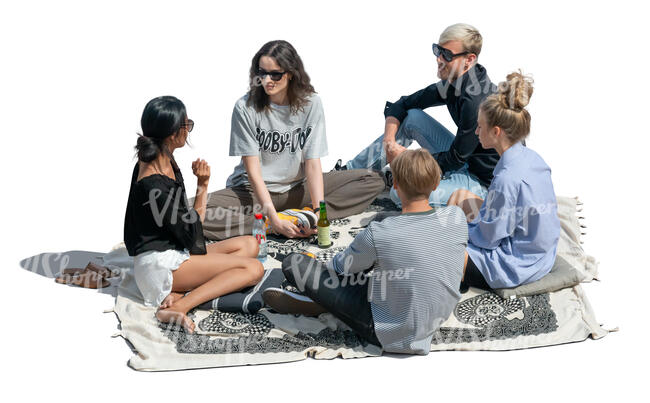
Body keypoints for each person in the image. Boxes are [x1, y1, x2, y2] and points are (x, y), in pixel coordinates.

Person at [263, 149, 468, 355]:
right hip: (435, 316)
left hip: (389, 331)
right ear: (436, 184)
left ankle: (325, 304)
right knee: (390, 267)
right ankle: (329, 302)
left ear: (395, 185)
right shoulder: (457, 218)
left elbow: (341, 267)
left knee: (295, 263)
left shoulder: (379, 233)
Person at [200, 40, 385, 241]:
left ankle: (303, 216)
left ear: (290, 73)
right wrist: (273, 221)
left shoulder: (311, 103)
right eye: (261, 73)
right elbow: (253, 172)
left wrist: (318, 212)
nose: (267, 80)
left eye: (275, 74)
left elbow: (312, 163)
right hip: (252, 192)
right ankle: (267, 223)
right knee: (191, 213)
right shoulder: (245, 107)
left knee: (372, 179)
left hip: (297, 188)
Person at [124, 96, 264, 333]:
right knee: (253, 269)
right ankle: (179, 306)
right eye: (185, 124)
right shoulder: (154, 184)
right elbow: (191, 233)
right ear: (172, 134)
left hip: (173, 250)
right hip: (158, 265)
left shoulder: (160, 156)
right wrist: (203, 185)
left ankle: (179, 290)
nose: (188, 129)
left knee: (251, 244)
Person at [335, 23, 500, 208]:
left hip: (482, 183)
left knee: (398, 195)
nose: (439, 59)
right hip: (464, 160)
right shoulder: (454, 83)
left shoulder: (476, 102)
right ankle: (348, 174)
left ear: (469, 59)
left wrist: (409, 160)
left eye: (447, 55)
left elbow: (454, 159)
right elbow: (403, 104)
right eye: (438, 50)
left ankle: (409, 179)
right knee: (413, 117)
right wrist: (389, 143)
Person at [447, 71, 560, 290]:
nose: (476, 132)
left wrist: (458, 230)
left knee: (439, 243)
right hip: (540, 251)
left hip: (516, 263)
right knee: (459, 196)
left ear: (496, 132)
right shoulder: (531, 158)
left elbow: (489, 240)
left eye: (480, 126)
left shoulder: (507, 179)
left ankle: (460, 275)